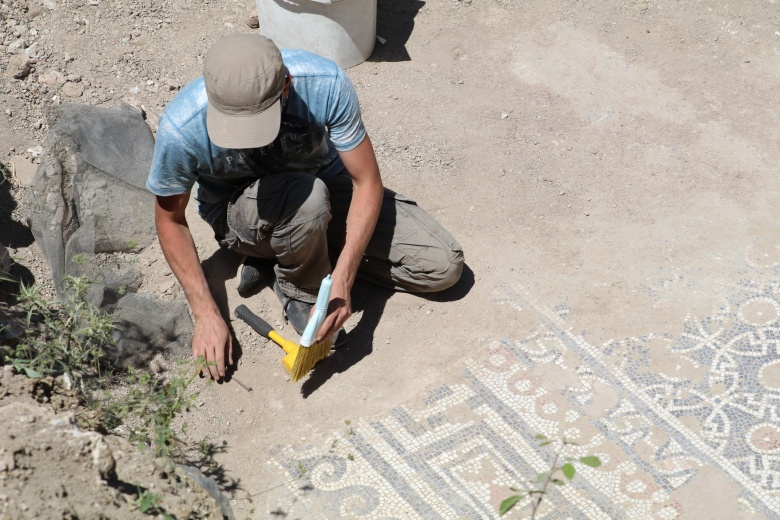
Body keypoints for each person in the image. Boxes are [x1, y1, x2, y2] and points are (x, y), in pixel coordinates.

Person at [146, 33, 464, 380]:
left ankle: (286, 255)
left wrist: (343, 277)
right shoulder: (183, 126)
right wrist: (205, 312)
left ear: (286, 86)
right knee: (308, 198)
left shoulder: (325, 84)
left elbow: (366, 181)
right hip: (241, 212)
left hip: (321, 187)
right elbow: (170, 218)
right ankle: (301, 285)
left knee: (442, 267)